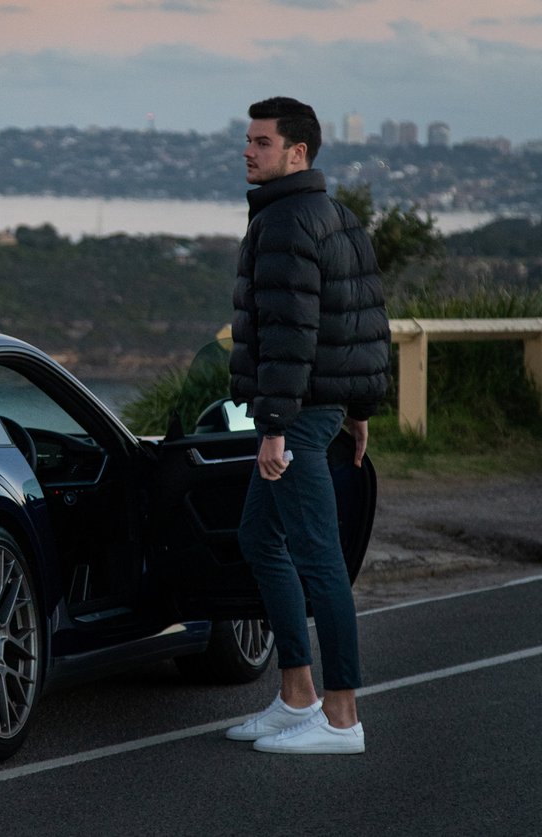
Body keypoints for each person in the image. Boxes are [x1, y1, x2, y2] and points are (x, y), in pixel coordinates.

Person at [225, 96, 390, 754]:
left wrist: (274, 427)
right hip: (319, 408)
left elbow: (291, 337)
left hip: (294, 414)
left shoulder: (288, 221)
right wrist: (359, 411)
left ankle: (343, 718)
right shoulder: (335, 215)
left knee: (318, 556)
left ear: (297, 153)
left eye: (261, 142)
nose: (248, 150)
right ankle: (297, 694)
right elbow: (358, 322)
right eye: (248, 139)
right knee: (258, 537)